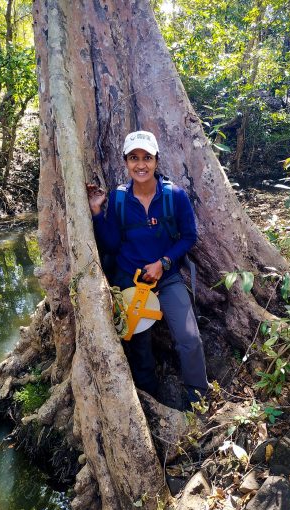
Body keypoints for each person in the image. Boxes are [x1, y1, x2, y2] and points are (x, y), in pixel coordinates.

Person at [87, 130, 208, 407]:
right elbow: (112, 244)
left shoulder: (174, 196)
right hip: (129, 279)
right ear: (126, 162)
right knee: (138, 344)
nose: (140, 165)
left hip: (166, 278)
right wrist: (96, 212)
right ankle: (151, 402)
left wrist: (164, 263)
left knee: (189, 337)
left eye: (147, 158)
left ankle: (198, 397)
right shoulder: (118, 199)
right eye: (133, 158)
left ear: (156, 160)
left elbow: (189, 236)